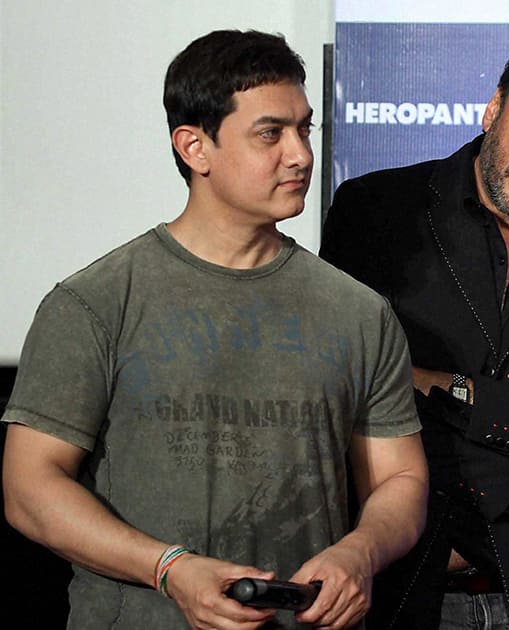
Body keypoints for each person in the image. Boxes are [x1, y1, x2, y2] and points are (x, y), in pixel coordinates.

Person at [2, 30, 428, 630]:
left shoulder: (358, 311)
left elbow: (400, 479)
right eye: (270, 133)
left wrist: (360, 552)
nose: (300, 154)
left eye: (305, 129)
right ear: (195, 148)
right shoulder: (96, 302)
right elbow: (28, 489)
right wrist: (168, 568)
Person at [320, 23, 509, 630]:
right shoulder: (378, 213)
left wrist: (443, 390)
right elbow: (345, 399)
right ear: (494, 108)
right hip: (394, 586)